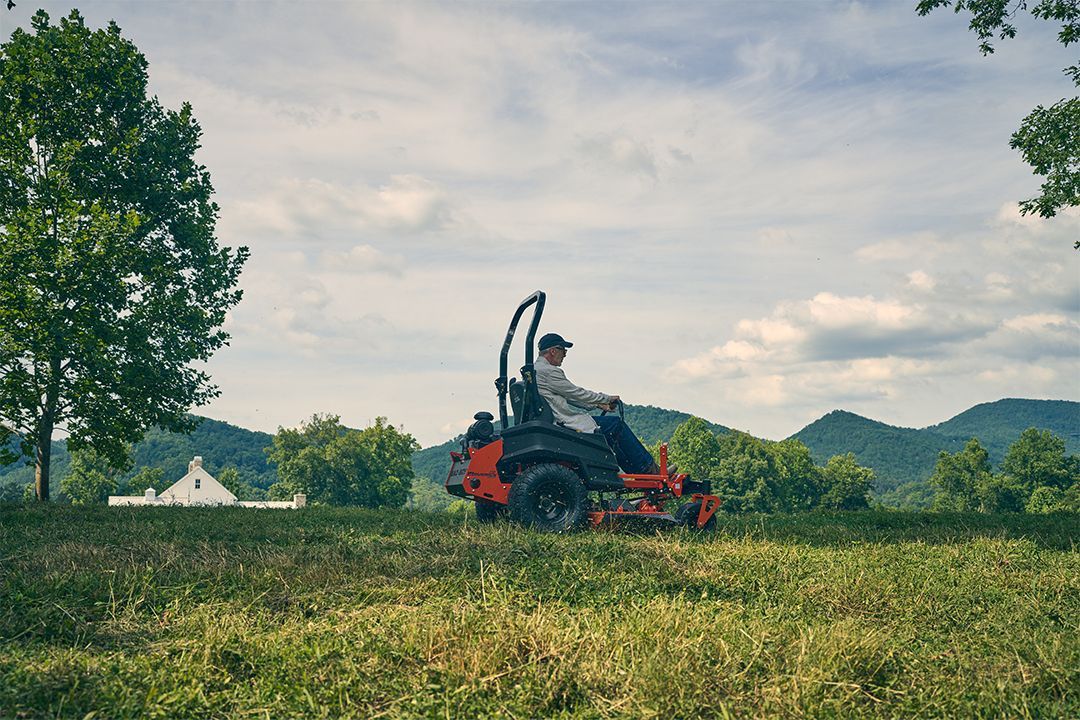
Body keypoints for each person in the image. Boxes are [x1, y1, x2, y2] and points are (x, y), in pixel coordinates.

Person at [533, 332, 672, 476]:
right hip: (563, 424)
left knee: (610, 433)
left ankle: (639, 474)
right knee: (616, 424)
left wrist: (598, 405)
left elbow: (567, 397)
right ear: (553, 350)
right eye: (564, 350)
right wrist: (605, 399)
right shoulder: (550, 372)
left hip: (550, 423)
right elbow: (576, 392)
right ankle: (650, 471)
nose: (565, 355)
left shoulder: (534, 371)